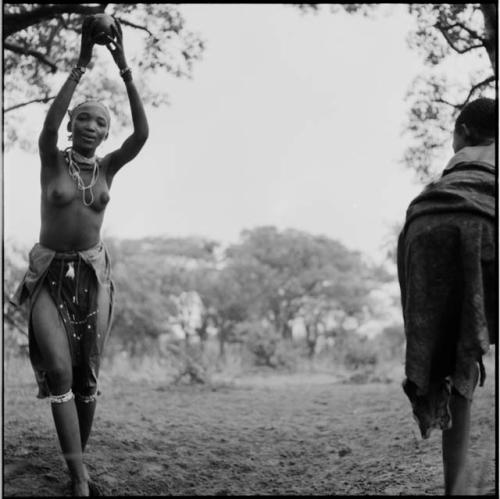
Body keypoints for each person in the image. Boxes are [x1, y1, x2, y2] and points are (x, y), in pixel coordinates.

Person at [10, 15, 148, 496]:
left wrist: (124, 65)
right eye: (83, 118)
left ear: (106, 134)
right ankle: (79, 476)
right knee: (61, 371)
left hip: (93, 275)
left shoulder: (109, 168)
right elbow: (47, 124)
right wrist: (82, 63)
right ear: (71, 124)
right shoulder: (51, 157)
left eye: (100, 122)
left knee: (87, 378)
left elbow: (142, 136)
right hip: (50, 273)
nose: (90, 125)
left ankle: (76, 462)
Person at [397, 97, 496, 495]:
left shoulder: (436, 187)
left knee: (458, 360)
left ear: (462, 133)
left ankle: (456, 486)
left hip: (428, 227)